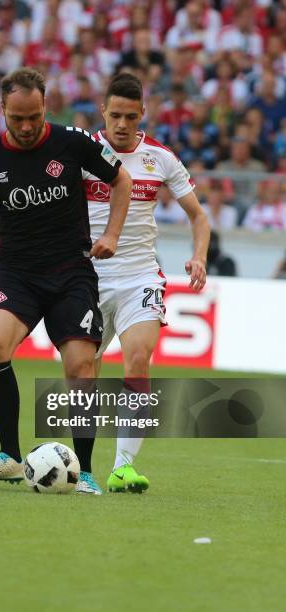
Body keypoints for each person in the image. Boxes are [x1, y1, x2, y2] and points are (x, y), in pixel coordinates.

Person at [0, 67, 132, 495]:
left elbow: (122, 181)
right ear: (2, 110)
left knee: (81, 367)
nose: (26, 127)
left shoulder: (72, 142)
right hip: (17, 274)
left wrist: (112, 234)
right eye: (17, 118)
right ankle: (9, 456)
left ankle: (83, 472)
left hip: (71, 274)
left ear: (45, 106)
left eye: (34, 117)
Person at [84, 72, 210, 493]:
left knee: (138, 358)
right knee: (83, 371)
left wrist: (198, 255)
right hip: (87, 276)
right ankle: (81, 463)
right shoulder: (82, 152)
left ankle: (122, 466)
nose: (122, 124)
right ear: (103, 111)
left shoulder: (161, 158)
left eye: (130, 117)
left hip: (140, 273)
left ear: (142, 115)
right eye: (115, 115)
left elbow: (199, 215)